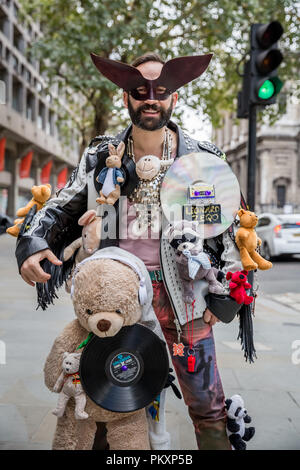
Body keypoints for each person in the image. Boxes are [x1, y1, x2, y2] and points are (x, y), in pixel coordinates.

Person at [16, 51, 242, 450]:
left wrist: (227, 295)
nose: (150, 99)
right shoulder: (102, 155)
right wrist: (33, 243)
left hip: (186, 300)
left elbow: (232, 228)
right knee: (108, 403)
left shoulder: (201, 158)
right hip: (118, 300)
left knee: (207, 406)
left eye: (161, 90)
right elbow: (62, 203)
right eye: (140, 91)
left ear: (175, 98)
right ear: (126, 98)